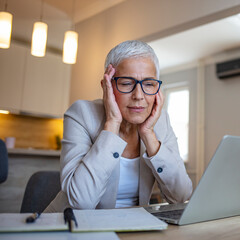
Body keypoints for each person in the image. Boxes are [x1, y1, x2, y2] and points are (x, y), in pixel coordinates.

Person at [44, 40, 193, 212]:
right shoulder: (82, 114)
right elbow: (80, 202)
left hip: (133, 227)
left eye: (149, 84)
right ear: (106, 86)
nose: (138, 95)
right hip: (73, 226)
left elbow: (181, 196)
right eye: (126, 83)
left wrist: (148, 133)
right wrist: (112, 123)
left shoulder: (161, 121)